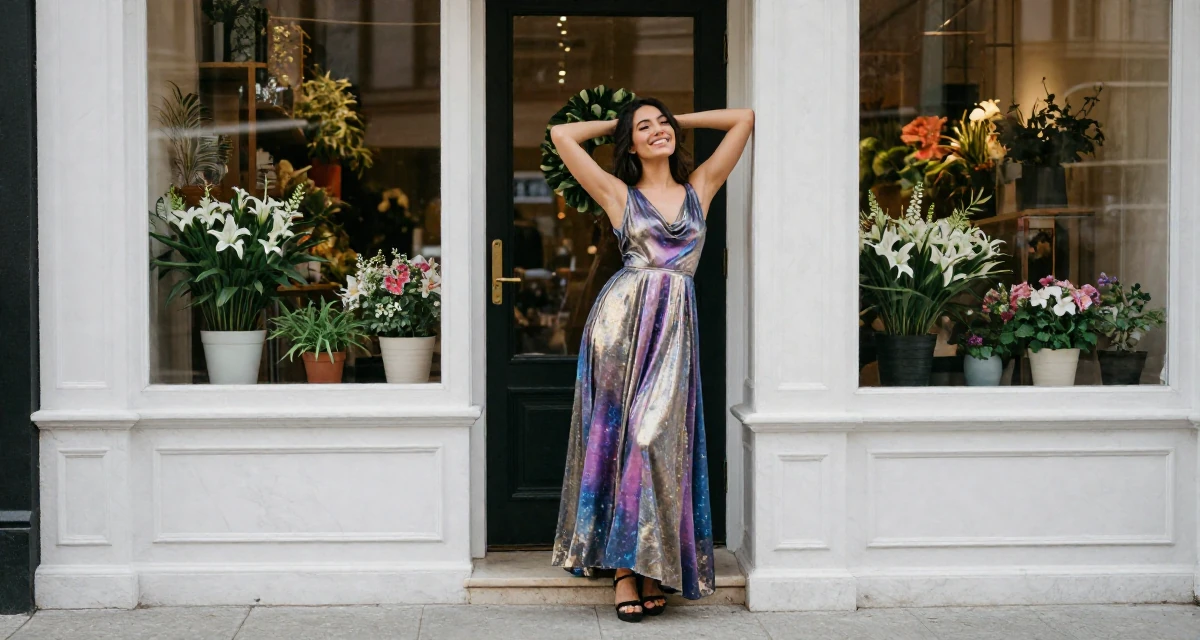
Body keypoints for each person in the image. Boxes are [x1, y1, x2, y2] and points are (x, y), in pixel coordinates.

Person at [548, 98, 754, 623]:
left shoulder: (699, 188)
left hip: (674, 330)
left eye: (662, 123)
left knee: (653, 440)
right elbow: (563, 136)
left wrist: (675, 120)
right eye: (644, 127)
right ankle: (625, 571)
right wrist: (624, 121)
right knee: (620, 440)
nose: (657, 130)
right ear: (630, 143)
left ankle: (647, 561)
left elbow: (744, 120)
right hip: (620, 328)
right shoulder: (620, 195)